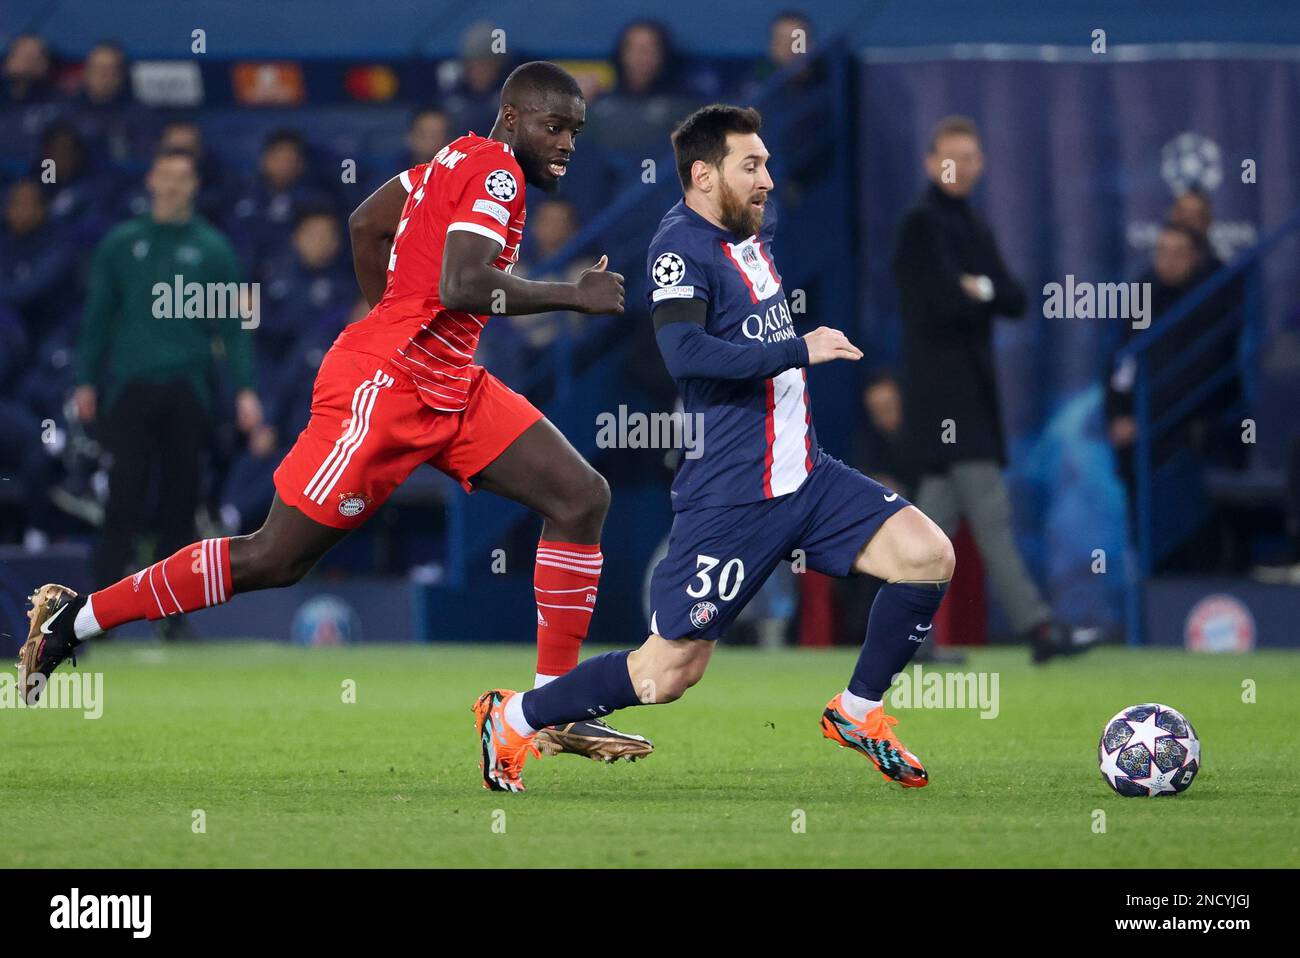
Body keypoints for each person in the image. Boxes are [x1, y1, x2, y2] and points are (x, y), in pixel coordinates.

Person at [20, 62, 651, 764]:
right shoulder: (497, 173)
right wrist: (573, 294)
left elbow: (365, 224)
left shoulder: (451, 160)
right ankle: (75, 618)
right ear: (511, 117)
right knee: (273, 558)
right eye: (553, 125)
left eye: (574, 130)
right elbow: (464, 282)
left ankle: (554, 706)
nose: (566, 142)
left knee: (579, 496)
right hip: (386, 388)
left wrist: (391, 309)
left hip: (449, 383)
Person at [473, 104, 955, 794]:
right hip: (734, 496)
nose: (767, 179)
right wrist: (800, 347)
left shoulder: (749, 235)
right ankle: (516, 716)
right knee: (667, 673)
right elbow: (685, 353)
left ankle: (857, 711)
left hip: (808, 476)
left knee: (927, 555)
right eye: (750, 166)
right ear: (703, 175)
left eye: (767, 164)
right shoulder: (679, 248)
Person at [893, 115, 1095, 664]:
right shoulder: (922, 225)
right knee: (990, 518)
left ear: (980, 165)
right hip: (945, 402)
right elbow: (940, 303)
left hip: (971, 399)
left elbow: (1014, 297)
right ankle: (1039, 629)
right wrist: (981, 292)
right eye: (949, 157)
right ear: (931, 163)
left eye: (970, 158)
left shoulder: (972, 225)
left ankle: (905, 638)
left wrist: (976, 286)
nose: (959, 168)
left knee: (932, 529)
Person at [68, 148, 262, 613]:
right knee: (123, 498)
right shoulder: (120, 243)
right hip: (130, 386)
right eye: (166, 176)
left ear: (194, 186)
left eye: (183, 178)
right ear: (152, 180)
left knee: (182, 504)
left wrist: (245, 389)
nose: (173, 186)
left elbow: (234, 327)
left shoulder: (213, 249)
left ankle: (174, 615)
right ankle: (98, 613)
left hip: (189, 387)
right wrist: (85, 381)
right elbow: (98, 318)